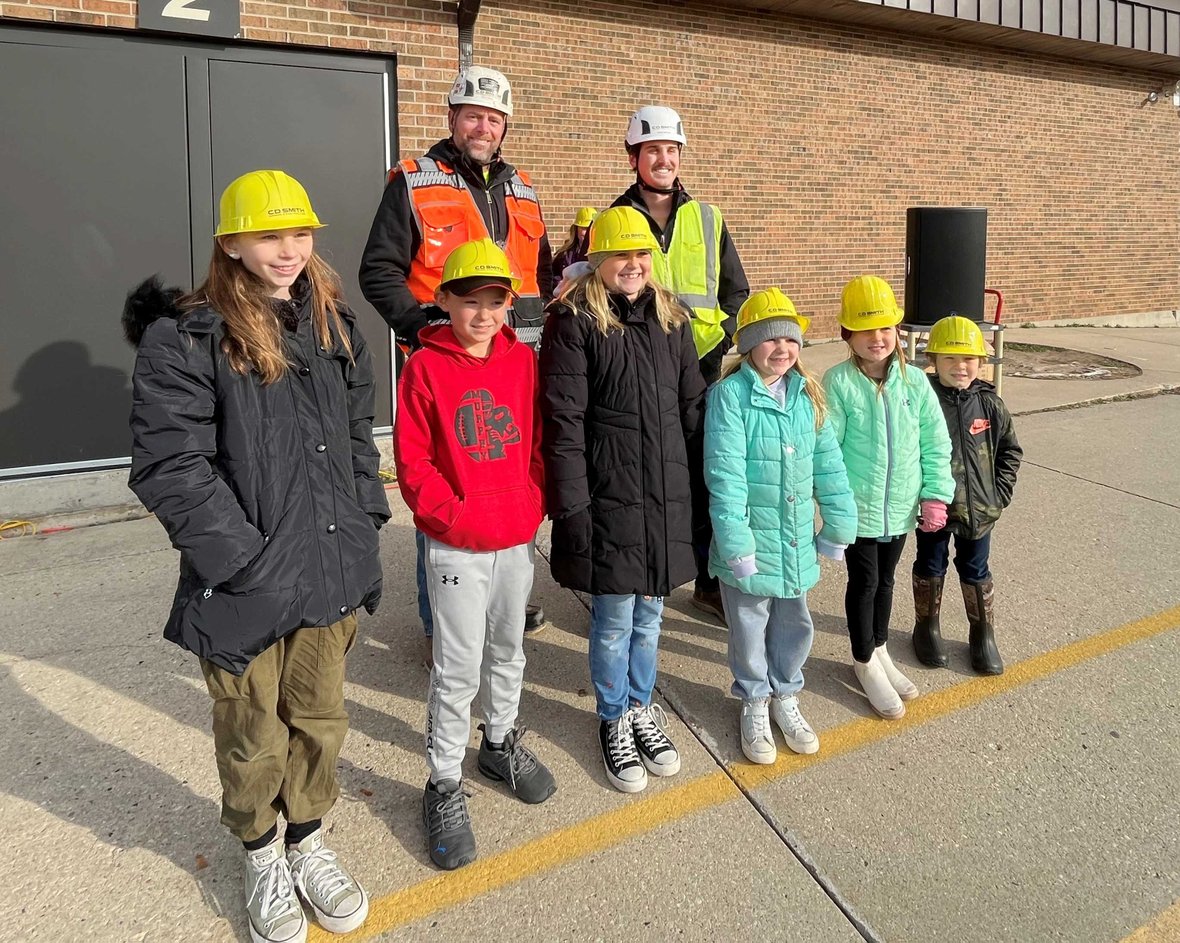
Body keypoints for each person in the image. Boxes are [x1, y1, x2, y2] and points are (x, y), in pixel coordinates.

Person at [124, 170, 386, 943]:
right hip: (244, 582)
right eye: (270, 234)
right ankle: (261, 848)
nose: (289, 249)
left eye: (300, 233)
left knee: (319, 720)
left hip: (332, 567)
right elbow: (170, 464)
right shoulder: (190, 336)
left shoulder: (335, 326)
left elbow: (358, 437)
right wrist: (242, 560)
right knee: (251, 730)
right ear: (230, 242)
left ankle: (307, 839)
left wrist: (365, 521)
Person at [360, 65, 552, 650]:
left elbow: (537, 276)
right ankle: (439, 623)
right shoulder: (415, 181)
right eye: (473, 115)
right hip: (444, 365)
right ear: (451, 118)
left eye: (494, 119)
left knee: (505, 476)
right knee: (444, 481)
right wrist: (422, 331)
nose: (483, 127)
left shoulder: (523, 190)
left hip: (512, 363)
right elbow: (379, 270)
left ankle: (503, 602)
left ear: (505, 128)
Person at [394, 238, 556, 871]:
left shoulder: (522, 362)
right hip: (457, 541)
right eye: (470, 302)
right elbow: (413, 460)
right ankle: (442, 780)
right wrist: (452, 517)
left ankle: (499, 741)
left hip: (514, 533)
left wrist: (531, 501)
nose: (483, 315)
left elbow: (538, 437)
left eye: (495, 302)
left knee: (509, 649)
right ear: (445, 301)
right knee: (457, 667)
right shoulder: (425, 366)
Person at [539, 205, 705, 793]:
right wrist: (573, 509)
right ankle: (613, 718)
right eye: (620, 256)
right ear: (598, 262)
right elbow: (562, 422)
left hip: (663, 495)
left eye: (640, 256)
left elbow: (692, 409)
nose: (632, 265)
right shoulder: (574, 321)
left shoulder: (671, 319)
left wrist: (702, 493)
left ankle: (641, 706)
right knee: (613, 619)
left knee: (652, 614)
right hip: (608, 496)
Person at [705, 289, 857, 764]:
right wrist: (736, 542)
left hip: (793, 541)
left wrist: (838, 523)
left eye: (789, 340)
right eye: (769, 340)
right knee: (749, 626)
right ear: (747, 345)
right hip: (750, 541)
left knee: (794, 621)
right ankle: (754, 699)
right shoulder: (730, 397)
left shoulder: (808, 396)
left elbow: (829, 464)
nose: (781, 350)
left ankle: (786, 693)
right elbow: (724, 473)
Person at [611, 105, 750, 623]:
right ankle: (642, 576)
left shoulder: (708, 217)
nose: (663, 159)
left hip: (704, 367)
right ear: (634, 158)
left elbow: (737, 291)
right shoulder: (614, 219)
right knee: (643, 472)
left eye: (671, 150)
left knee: (710, 471)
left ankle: (710, 581)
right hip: (642, 371)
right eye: (652, 150)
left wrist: (718, 344)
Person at [822, 275, 954, 720]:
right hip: (857, 509)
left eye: (885, 328)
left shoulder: (915, 383)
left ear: (896, 330)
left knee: (888, 580)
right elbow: (828, 450)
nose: (877, 339)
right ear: (848, 335)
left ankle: (880, 649)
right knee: (865, 583)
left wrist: (936, 495)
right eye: (865, 330)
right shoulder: (838, 383)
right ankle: (863, 659)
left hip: (900, 506)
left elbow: (935, 442)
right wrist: (834, 506)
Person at [912, 316, 1022, 675]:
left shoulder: (991, 404)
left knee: (976, 568)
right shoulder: (922, 400)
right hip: (935, 508)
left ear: (981, 362)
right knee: (930, 564)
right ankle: (926, 628)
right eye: (950, 360)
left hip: (979, 511)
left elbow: (1010, 451)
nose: (961, 367)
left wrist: (999, 493)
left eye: (969, 360)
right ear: (934, 360)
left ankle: (982, 634)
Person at [552, 206, 597, 278]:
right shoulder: (564, 254)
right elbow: (554, 275)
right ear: (576, 229)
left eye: (590, 229)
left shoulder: (600, 255)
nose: (587, 233)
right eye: (584, 228)